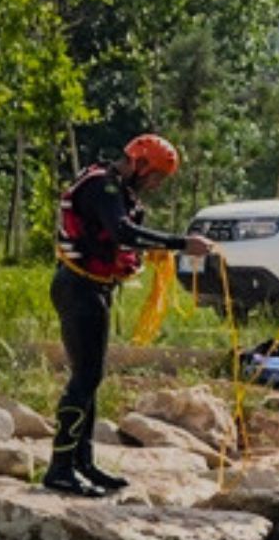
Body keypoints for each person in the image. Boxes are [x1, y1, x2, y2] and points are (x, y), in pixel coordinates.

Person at [43, 133, 216, 497]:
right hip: (77, 288)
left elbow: (122, 237)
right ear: (139, 163)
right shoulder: (102, 188)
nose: (155, 185)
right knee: (84, 378)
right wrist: (181, 244)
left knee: (90, 376)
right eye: (155, 177)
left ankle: (82, 462)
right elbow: (123, 231)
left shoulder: (118, 191)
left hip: (95, 288)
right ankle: (59, 468)